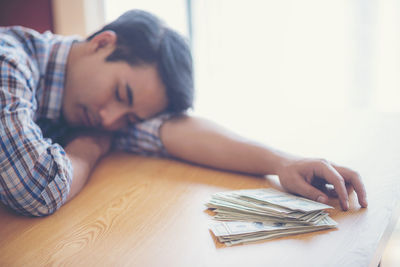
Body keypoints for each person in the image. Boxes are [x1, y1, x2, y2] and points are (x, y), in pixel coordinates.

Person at [0, 10, 367, 217]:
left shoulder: (90, 104)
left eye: (129, 118)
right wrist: (91, 146)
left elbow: (173, 131)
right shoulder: (8, 61)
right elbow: (38, 188)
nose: (111, 119)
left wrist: (283, 162)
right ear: (102, 42)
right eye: (120, 93)